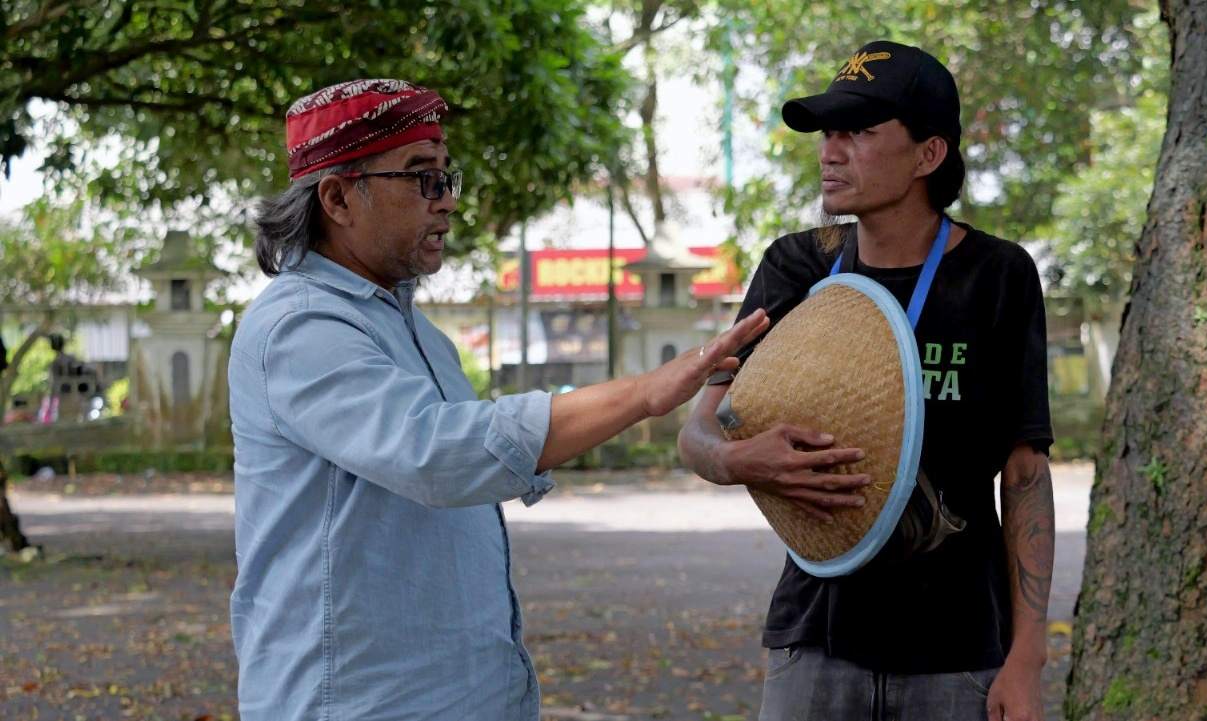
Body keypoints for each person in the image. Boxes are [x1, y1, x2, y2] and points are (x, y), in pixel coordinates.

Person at [228, 78, 795, 721]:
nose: (447, 202)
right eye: (422, 178)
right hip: (352, 702)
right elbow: (439, 453)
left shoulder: (413, 330)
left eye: (447, 177)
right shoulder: (301, 326)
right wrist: (643, 393)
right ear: (337, 198)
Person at [678, 41, 1055, 721]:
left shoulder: (999, 276)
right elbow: (700, 429)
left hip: (960, 649)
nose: (830, 151)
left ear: (928, 154)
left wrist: (1026, 656)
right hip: (815, 643)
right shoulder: (796, 268)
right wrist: (736, 460)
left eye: (857, 131)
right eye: (827, 133)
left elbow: (1024, 472)